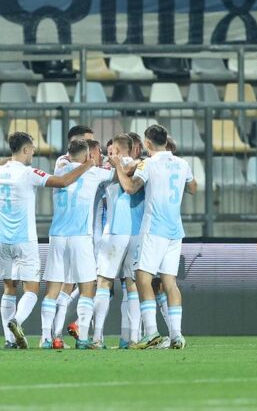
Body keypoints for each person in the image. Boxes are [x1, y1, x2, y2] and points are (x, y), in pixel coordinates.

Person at [110, 124, 196, 350]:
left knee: (141, 277)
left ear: (147, 144)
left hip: (154, 228)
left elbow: (130, 187)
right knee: (169, 282)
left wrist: (119, 166)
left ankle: (151, 333)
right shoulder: (182, 163)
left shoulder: (148, 163)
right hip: (175, 230)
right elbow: (193, 188)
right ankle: (176, 335)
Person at [37, 137, 112, 349]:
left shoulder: (60, 170)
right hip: (81, 237)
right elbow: (116, 174)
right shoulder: (94, 172)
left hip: (57, 236)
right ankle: (84, 337)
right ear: (88, 155)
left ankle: (46, 338)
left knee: (53, 288)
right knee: (87, 287)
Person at [92, 135, 145, 348]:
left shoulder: (113, 167)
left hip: (115, 231)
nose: (109, 154)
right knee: (131, 285)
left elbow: (118, 181)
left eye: (111, 150)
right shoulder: (142, 166)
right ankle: (130, 338)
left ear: (117, 149)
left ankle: (96, 338)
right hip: (137, 232)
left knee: (104, 281)